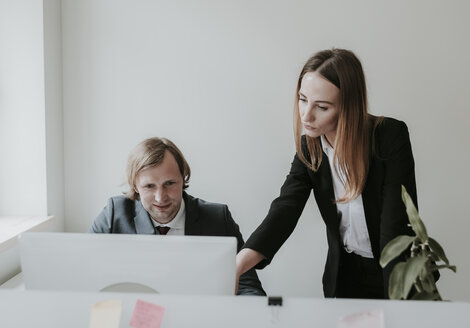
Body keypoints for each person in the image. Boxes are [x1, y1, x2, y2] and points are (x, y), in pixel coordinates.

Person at [236, 48, 420, 299]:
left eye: (322, 106)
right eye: (302, 99)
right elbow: (284, 210)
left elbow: (394, 228)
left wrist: (397, 303)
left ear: (349, 106)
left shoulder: (389, 137)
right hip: (344, 276)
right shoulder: (309, 147)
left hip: (395, 273)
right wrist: (236, 267)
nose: (306, 115)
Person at [89, 137, 265, 296]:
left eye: (170, 183)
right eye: (149, 186)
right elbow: (86, 275)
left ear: (183, 178)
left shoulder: (218, 218)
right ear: (135, 186)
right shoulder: (114, 215)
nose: (160, 197)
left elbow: (249, 288)